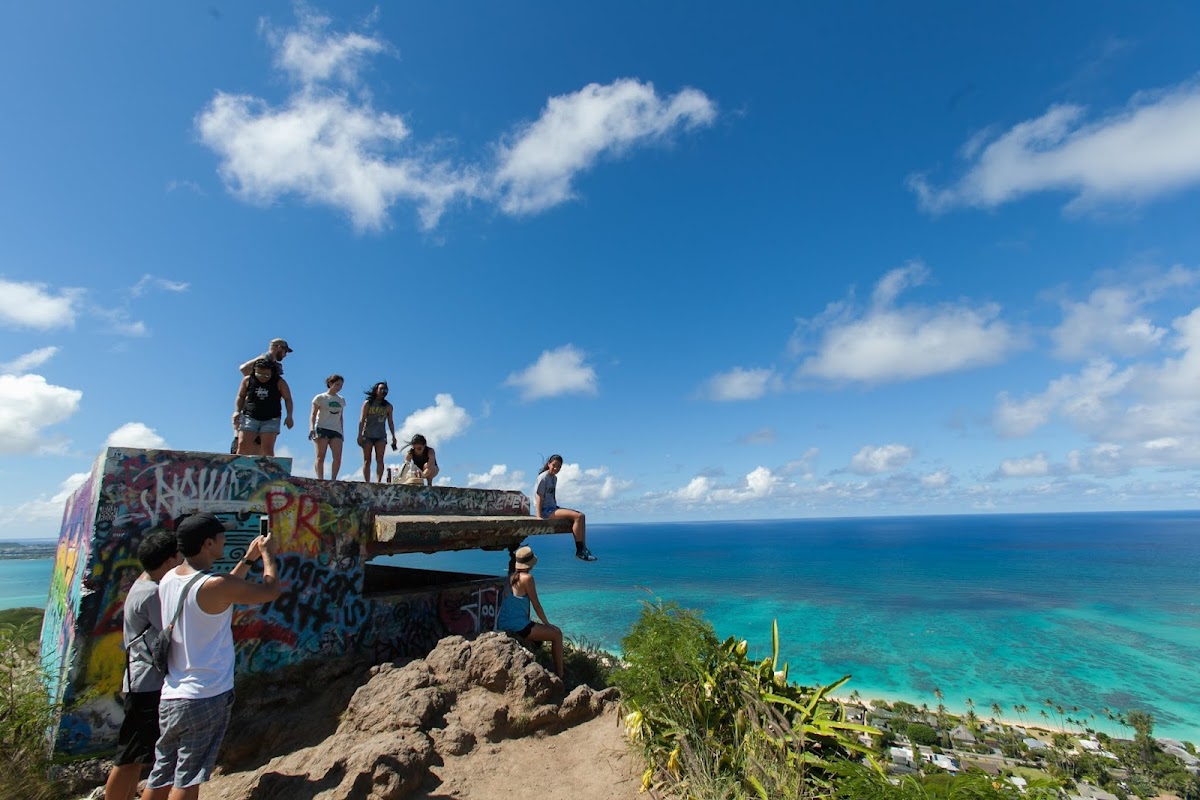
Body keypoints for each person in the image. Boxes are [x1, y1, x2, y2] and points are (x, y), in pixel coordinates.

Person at [141, 512, 281, 800]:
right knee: (187, 778)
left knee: (161, 774)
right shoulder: (214, 585)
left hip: (172, 694)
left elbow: (222, 588)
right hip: (205, 694)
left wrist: (248, 559)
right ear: (207, 544)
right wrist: (268, 555)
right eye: (220, 535)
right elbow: (271, 590)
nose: (224, 539)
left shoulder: (169, 579)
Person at [103, 530, 182, 800]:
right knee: (130, 755)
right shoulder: (153, 594)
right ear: (169, 560)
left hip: (138, 680)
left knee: (135, 754)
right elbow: (173, 630)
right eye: (178, 556)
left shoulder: (142, 583)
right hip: (147, 683)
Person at [495, 546, 563, 678]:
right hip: (518, 626)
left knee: (539, 636)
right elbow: (536, 605)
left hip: (504, 623)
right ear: (530, 564)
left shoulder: (511, 577)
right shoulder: (527, 578)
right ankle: (561, 675)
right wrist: (547, 624)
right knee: (557, 634)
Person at [534, 455, 597, 561]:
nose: (556, 468)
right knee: (578, 516)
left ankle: (583, 547)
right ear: (549, 464)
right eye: (554, 465)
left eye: (559, 466)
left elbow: (552, 495)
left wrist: (556, 507)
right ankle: (579, 551)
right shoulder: (543, 477)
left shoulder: (554, 478)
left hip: (552, 508)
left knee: (582, 516)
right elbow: (539, 496)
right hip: (545, 510)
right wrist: (539, 516)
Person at [233, 358, 294, 456]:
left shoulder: (279, 382)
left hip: (271, 418)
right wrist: (237, 411)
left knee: (267, 449)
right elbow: (241, 396)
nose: (262, 377)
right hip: (249, 416)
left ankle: (267, 465)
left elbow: (288, 399)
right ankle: (238, 465)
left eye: (266, 375)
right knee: (242, 445)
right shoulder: (248, 380)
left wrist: (289, 416)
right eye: (259, 374)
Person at [357, 381, 396, 482]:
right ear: (376, 390)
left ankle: (378, 481)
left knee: (380, 459)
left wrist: (393, 436)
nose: (383, 391)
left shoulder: (388, 406)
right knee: (367, 460)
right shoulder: (368, 403)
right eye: (381, 389)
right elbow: (362, 419)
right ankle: (367, 481)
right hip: (368, 434)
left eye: (385, 389)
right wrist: (360, 435)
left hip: (380, 435)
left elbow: (390, 422)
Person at [310, 374, 346, 480]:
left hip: (336, 430)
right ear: (330, 383)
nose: (339, 387)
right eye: (337, 384)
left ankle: (333, 479)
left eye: (341, 385)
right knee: (321, 456)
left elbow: (341, 416)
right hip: (322, 427)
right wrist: (311, 428)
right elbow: (313, 414)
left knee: (337, 457)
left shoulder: (341, 400)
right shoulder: (320, 397)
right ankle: (320, 479)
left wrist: (342, 431)